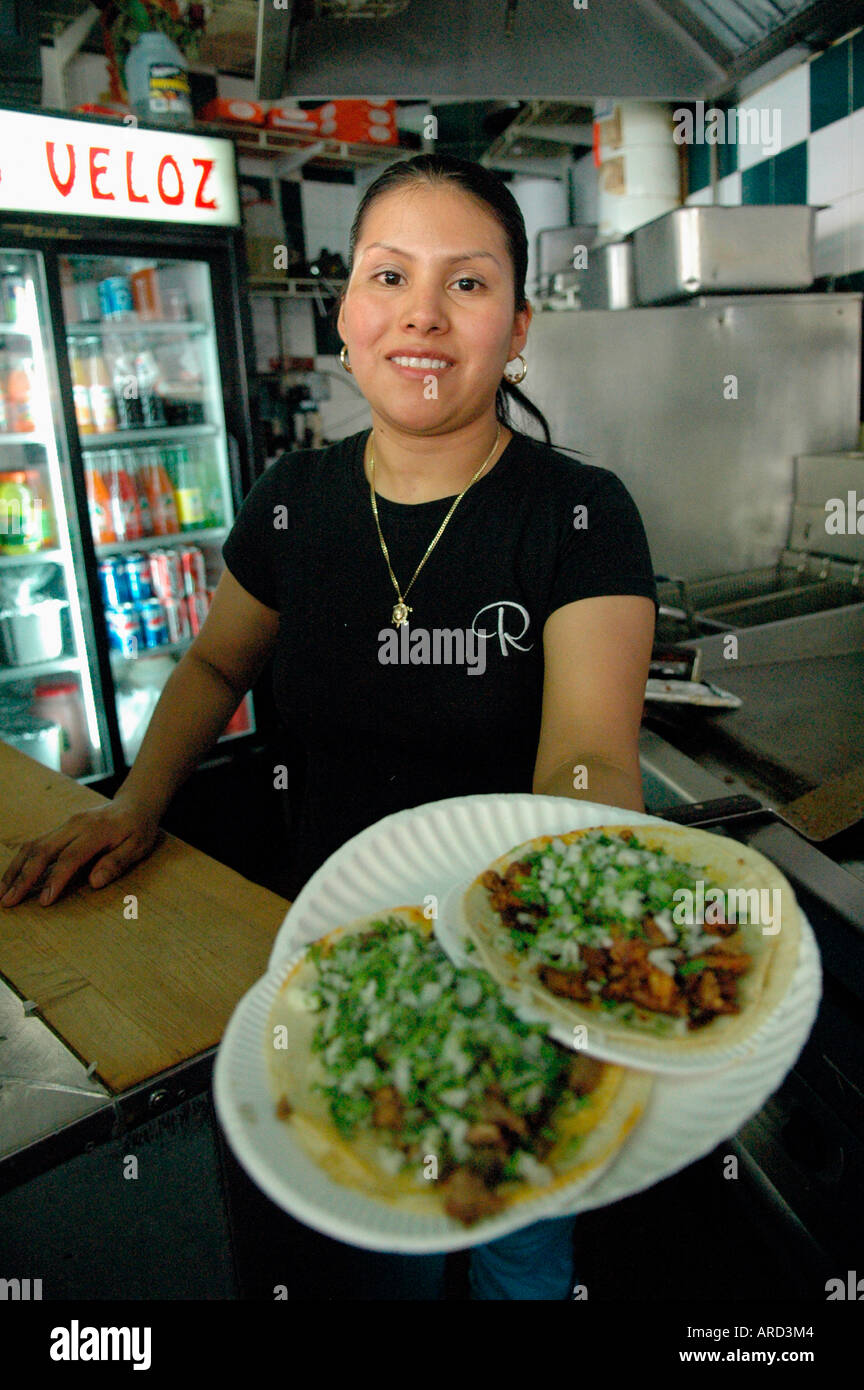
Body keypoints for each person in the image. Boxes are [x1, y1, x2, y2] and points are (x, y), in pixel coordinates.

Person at [0, 154, 658, 1299]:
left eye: (468, 283)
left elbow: (588, 752)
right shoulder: (293, 498)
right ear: (347, 314)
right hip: (331, 976)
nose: (421, 312)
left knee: (517, 1259)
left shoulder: (578, 514)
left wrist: (561, 939)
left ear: (517, 329)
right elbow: (214, 660)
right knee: (377, 1265)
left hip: (514, 981)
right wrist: (135, 803)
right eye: (389, 275)